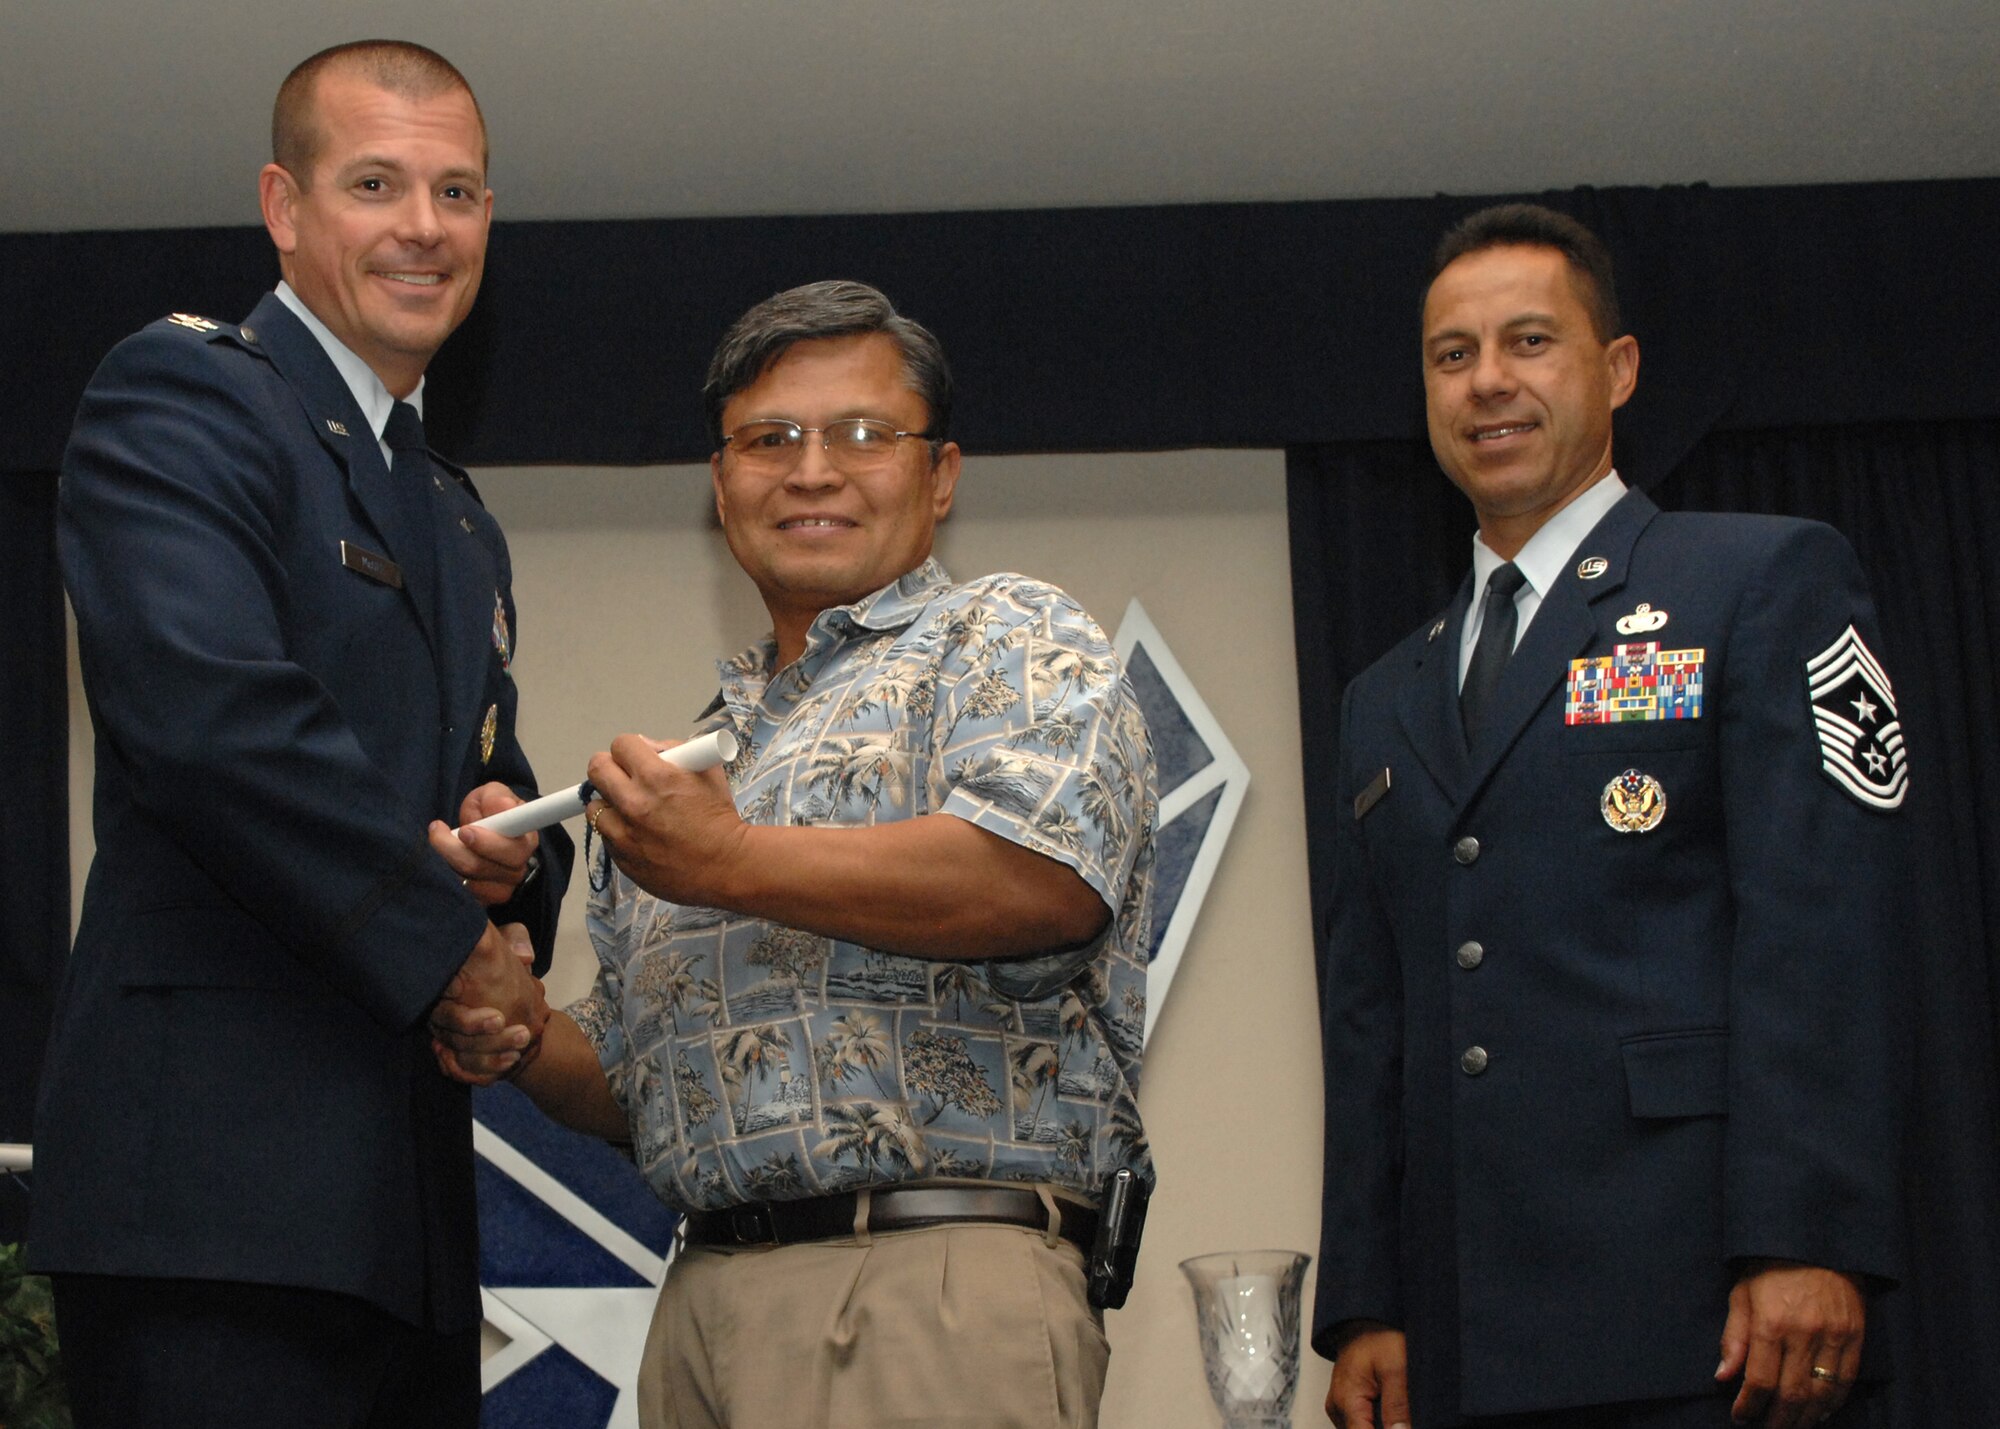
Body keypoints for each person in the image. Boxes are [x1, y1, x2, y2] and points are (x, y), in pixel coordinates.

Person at [436, 280, 1158, 1429]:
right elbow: (633, 1081)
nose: (811, 469)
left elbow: (1041, 880)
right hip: (704, 1301)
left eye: (863, 434)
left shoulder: (1006, 634)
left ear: (941, 473)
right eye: (768, 439)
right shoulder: (699, 757)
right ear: (721, 485)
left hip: (930, 1283)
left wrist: (723, 859)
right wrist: (512, 1021)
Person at [31, 40, 567, 1429]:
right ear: (284, 206)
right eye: (376, 182)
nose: (423, 228)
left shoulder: (452, 510)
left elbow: (465, 779)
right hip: (211, 1203)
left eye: (457, 194)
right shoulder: (188, 396)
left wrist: (512, 865)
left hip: (407, 1232)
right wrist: (452, 951)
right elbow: (212, 721)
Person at [1313, 205, 1907, 1429]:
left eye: (1528, 341)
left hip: (1707, 1314)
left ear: (1615, 369)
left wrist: (1805, 1232)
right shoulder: (1384, 695)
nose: (1487, 383)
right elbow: (1375, 1019)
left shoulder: (1754, 580)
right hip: (1464, 1334)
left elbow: (1823, 927)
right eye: (1451, 354)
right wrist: (1371, 1299)